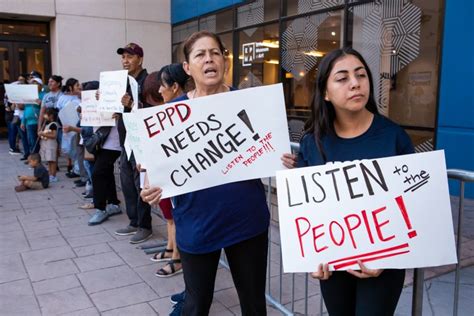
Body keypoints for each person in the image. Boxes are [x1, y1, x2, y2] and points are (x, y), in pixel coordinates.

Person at [141, 31, 295, 316]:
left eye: (215, 53)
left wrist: (287, 161)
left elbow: (271, 152)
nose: (209, 59)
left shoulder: (251, 104)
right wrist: (150, 187)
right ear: (187, 68)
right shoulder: (170, 115)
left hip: (246, 222)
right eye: (200, 54)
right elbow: (155, 173)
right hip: (196, 224)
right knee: (196, 304)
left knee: (253, 303)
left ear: (225, 62)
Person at [297, 47, 414, 315]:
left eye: (361, 75)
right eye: (342, 78)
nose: (355, 83)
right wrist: (310, 256)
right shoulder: (312, 143)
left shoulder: (393, 137)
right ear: (325, 93)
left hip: (383, 266)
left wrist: (389, 257)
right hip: (332, 264)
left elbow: (414, 206)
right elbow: (304, 211)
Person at [147, 65, 189, 278]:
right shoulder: (165, 112)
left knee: (177, 218)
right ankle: (173, 250)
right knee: (171, 218)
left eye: (162, 86)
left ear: (174, 87)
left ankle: (178, 258)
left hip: (180, 179)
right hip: (169, 176)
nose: (159, 91)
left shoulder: (180, 113)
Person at [113, 42, 152, 243]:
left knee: (140, 185)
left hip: (140, 143)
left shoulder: (148, 81)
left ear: (140, 59)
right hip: (125, 141)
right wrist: (108, 101)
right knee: (127, 183)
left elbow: (152, 111)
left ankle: (145, 226)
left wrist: (133, 105)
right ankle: (133, 221)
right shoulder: (124, 82)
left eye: (129, 56)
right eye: (123, 57)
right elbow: (122, 109)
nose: (125, 61)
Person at [21, 77, 45, 155]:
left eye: (36, 83)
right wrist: (22, 122)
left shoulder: (43, 95)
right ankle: (34, 158)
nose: (34, 85)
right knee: (31, 140)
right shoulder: (28, 95)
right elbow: (25, 109)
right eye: (32, 83)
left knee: (37, 141)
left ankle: (36, 158)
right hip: (28, 122)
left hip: (38, 121)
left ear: (40, 85)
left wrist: (41, 103)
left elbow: (46, 108)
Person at [38, 108, 59, 183]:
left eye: (46, 114)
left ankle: (53, 175)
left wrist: (43, 134)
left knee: (52, 160)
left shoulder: (53, 124)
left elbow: (54, 135)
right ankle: (50, 174)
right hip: (46, 144)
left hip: (51, 145)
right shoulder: (46, 124)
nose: (44, 115)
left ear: (51, 115)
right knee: (49, 160)